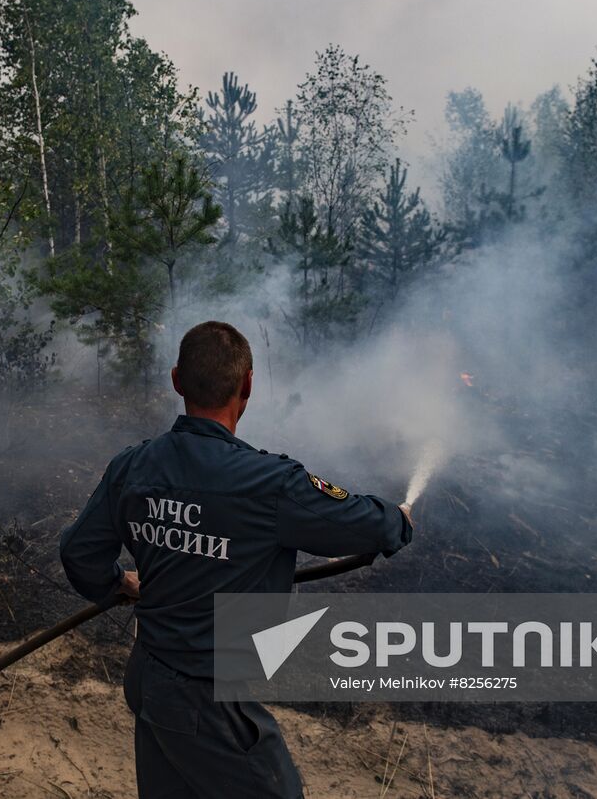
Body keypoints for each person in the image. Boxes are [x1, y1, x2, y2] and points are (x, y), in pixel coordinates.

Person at [59, 320, 414, 798]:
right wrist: (399, 518)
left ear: (176, 381)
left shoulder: (132, 466)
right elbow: (366, 524)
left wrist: (118, 581)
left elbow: (78, 552)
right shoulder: (270, 484)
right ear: (248, 384)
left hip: (149, 680)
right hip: (206, 700)